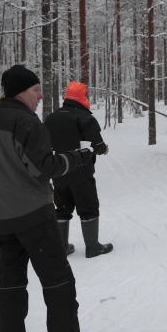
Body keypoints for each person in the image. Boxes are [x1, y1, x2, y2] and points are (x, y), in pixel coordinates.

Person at [0, 65, 96, 332]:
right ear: (20, 92)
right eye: (36, 90)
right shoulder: (26, 122)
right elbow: (44, 168)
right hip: (33, 216)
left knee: (10, 285)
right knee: (58, 279)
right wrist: (78, 157)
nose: (41, 96)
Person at [44, 81, 113, 258]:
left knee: (62, 208)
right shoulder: (84, 118)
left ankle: (63, 247)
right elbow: (96, 145)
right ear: (83, 97)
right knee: (88, 207)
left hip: (58, 172)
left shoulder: (52, 118)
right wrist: (103, 148)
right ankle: (92, 247)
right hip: (81, 173)